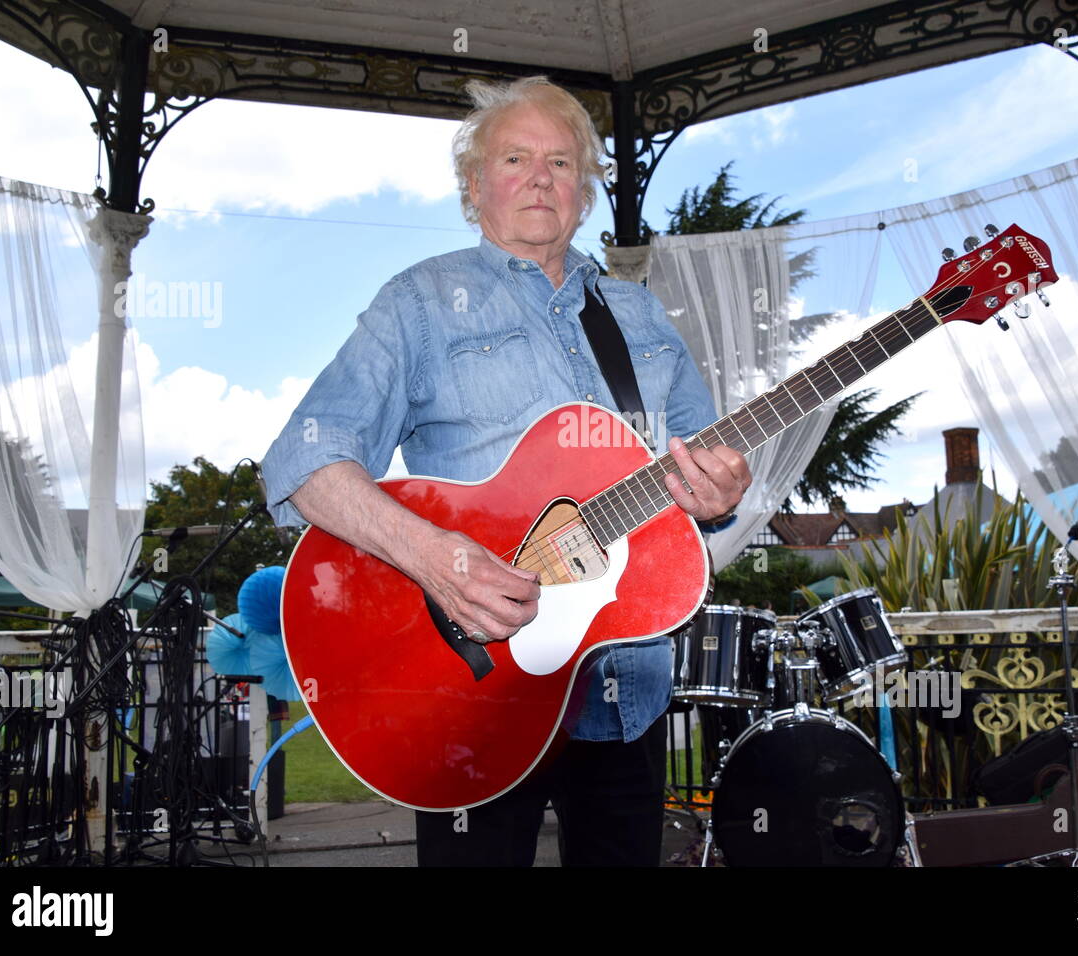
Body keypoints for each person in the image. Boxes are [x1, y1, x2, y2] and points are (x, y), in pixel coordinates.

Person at [261, 75, 751, 866]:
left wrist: (721, 492)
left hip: (623, 686)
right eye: (516, 157)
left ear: (584, 190)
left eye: (561, 162)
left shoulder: (638, 316)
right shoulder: (420, 301)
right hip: (470, 690)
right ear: (473, 185)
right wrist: (436, 557)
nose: (539, 178)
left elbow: (701, 465)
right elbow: (303, 460)